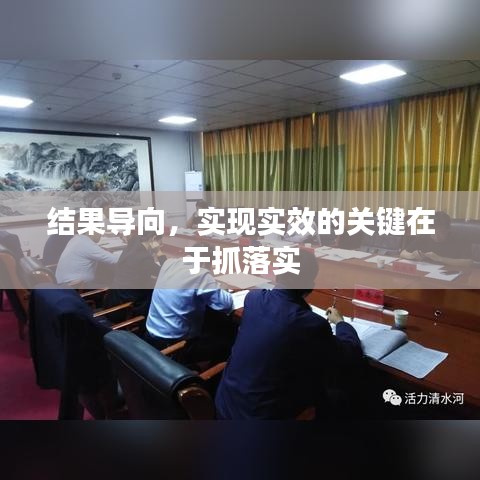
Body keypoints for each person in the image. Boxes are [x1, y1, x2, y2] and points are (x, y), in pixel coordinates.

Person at [215, 249, 363, 419]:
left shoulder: (253, 298)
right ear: (310, 286)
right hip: (260, 423)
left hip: (225, 406)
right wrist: (342, 323)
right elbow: (349, 354)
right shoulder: (311, 324)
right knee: (338, 394)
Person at [144, 243, 235, 365]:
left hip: (150, 334)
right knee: (228, 340)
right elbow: (226, 305)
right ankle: (205, 373)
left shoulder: (169, 263)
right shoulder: (201, 274)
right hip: (175, 345)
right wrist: (221, 287)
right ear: (206, 262)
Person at [103, 232, 166, 322]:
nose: (161, 245)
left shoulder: (131, 248)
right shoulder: (144, 257)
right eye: (160, 242)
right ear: (153, 239)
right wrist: (158, 252)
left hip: (114, 299)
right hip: (127, 306)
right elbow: (165, 271)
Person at [400, 211, 473, 268]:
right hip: (427, 274)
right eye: (433, 233)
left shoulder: (459, 238)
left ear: (448, 230)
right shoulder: (424, 235)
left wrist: (440, 259)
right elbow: (403, 253)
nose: (436, 237)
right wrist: (412, 255)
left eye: (441, 233)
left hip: (451, 275)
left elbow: (468, 263)